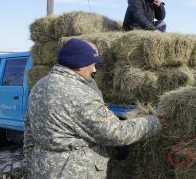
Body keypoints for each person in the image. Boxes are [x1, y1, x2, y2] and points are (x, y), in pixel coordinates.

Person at [23, 38, 161, 178]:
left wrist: (34, 163)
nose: (94, 69)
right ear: (79, 65)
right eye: (92, 64)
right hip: (73, 171)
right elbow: (116, 133)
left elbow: (29, 132)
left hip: (41, 168)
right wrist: (153, 122)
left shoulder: (39, 86)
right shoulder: (80, 93)